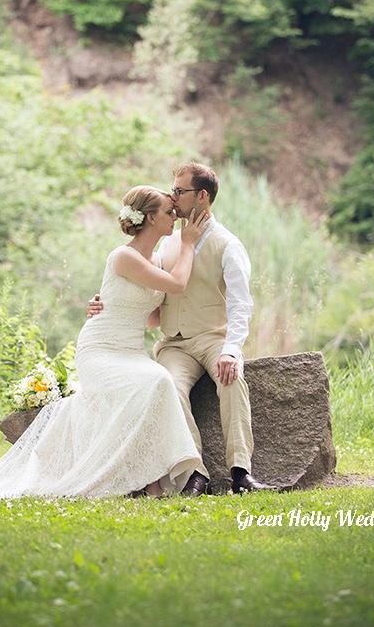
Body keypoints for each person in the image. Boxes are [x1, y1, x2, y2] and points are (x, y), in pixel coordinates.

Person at [0, 186, 209, 500]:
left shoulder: (157, 261)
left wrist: (106, 302)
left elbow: (151, 319)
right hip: (101, 349)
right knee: (154, 382)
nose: (176, 217)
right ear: (150, 218)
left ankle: (151, 479)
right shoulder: (124, 256)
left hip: (131, 351)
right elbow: (177, 285)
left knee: (157, 383)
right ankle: (145, 478)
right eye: (169, 212)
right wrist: (189, 244)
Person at [89, 163, 276, 495]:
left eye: (179, 191)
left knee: (233, 381)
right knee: (168, 387)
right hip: (174, 344)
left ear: (201, 196)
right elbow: (148, 296)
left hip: (212, 338)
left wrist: (232, 350)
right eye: (172, 191)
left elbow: (240, 305)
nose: (173, 197)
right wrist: (107, 305)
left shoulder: (228, 244)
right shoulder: (168, 243)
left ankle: (240, 473)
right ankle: (195, 474)